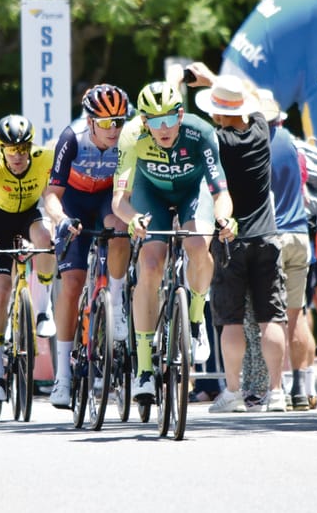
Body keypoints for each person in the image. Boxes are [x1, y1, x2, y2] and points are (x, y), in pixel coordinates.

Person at [112, 81, 237, 402]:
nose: (163, 127)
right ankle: (142, 370)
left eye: (169, 118)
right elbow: (119, 201)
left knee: (198, 244)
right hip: (149, 193)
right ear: (143, 121)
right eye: (154, 121)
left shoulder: (201, 132)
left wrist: (224, 219)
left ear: (181, 115)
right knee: (151, 264)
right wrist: (133, 219)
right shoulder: (130, 136)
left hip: (191, 192)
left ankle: (195, 324)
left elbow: (220, 192)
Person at [181, 67, 288, 414]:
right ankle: (277, 390)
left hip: (230, 237)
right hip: (267, 235)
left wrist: (209, 88)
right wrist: (215, 79)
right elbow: (253, 98)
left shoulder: (216, 141)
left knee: (229, 319)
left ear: (216, 112)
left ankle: (233, 392)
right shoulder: (260, 129)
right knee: (270, 317)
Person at [41, 84, 132, 409]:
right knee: (72, 284)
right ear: (91, 121)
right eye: (106, 123)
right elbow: (51, 194)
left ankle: (118, 303)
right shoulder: (72, 137)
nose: (114, 129)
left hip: (109, 199)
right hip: (75, 202)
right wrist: (61, 219)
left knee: (120, 228)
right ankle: (62, 376)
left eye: (119, 121)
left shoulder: (128, 137)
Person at [0, 115, 56, 403]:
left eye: (23, 149)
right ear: (1, 149)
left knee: (46, 240)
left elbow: (50, 198)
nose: (18, 156)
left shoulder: (44, 157)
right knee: (0, 291)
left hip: (29, 215)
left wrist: (56, 221)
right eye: (11, 150)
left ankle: (44, 309)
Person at [260, 88, 317, 411]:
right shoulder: (292, 143)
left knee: (273, 319)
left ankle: (276, 388)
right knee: (297, 317)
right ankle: (301, 387)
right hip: (300, 234)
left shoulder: (259, 145)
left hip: (274, 236)